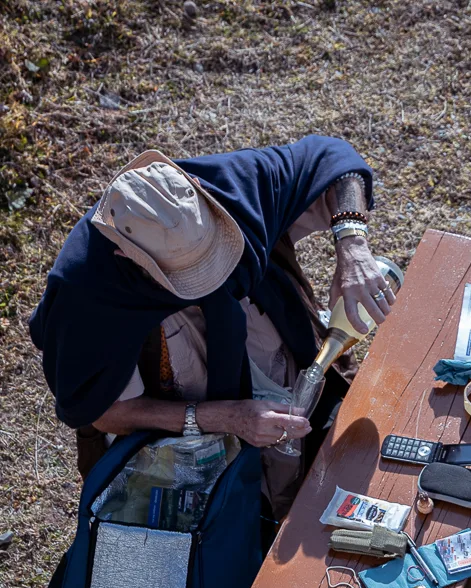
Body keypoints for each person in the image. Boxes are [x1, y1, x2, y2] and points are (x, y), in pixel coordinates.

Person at [30, 136, 393, 520]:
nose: (212, 281)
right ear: (127, 255)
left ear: (199, 192)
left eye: (213, 253)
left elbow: (335, 160)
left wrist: (352, 245)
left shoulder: (220, 188)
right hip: (181, 435)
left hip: (271, 367)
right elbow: (110, 413)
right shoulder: (86, 298)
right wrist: (226, 418)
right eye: (186, 275)